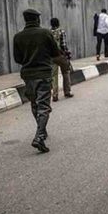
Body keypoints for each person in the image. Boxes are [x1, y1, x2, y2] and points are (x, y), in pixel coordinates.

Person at [13, 9, 62, 153]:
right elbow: (55, 53)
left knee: (35, 103)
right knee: (44, 106)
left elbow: (18, 59)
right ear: (37, 20)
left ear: (25, 20)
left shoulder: (18, 37)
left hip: (28, 76)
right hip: (44, 74)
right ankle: (39, 136)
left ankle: (42, 130)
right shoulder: (45, 33)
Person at [50, 18, 74, 102]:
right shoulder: (61, 31)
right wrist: (67, 54)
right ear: (58, 23)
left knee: (53, 76)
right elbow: (63, 45)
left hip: (51, 57)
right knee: (65, 73)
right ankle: (67, 92)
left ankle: (55, 95)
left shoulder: (48, 33)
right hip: (61, 56)